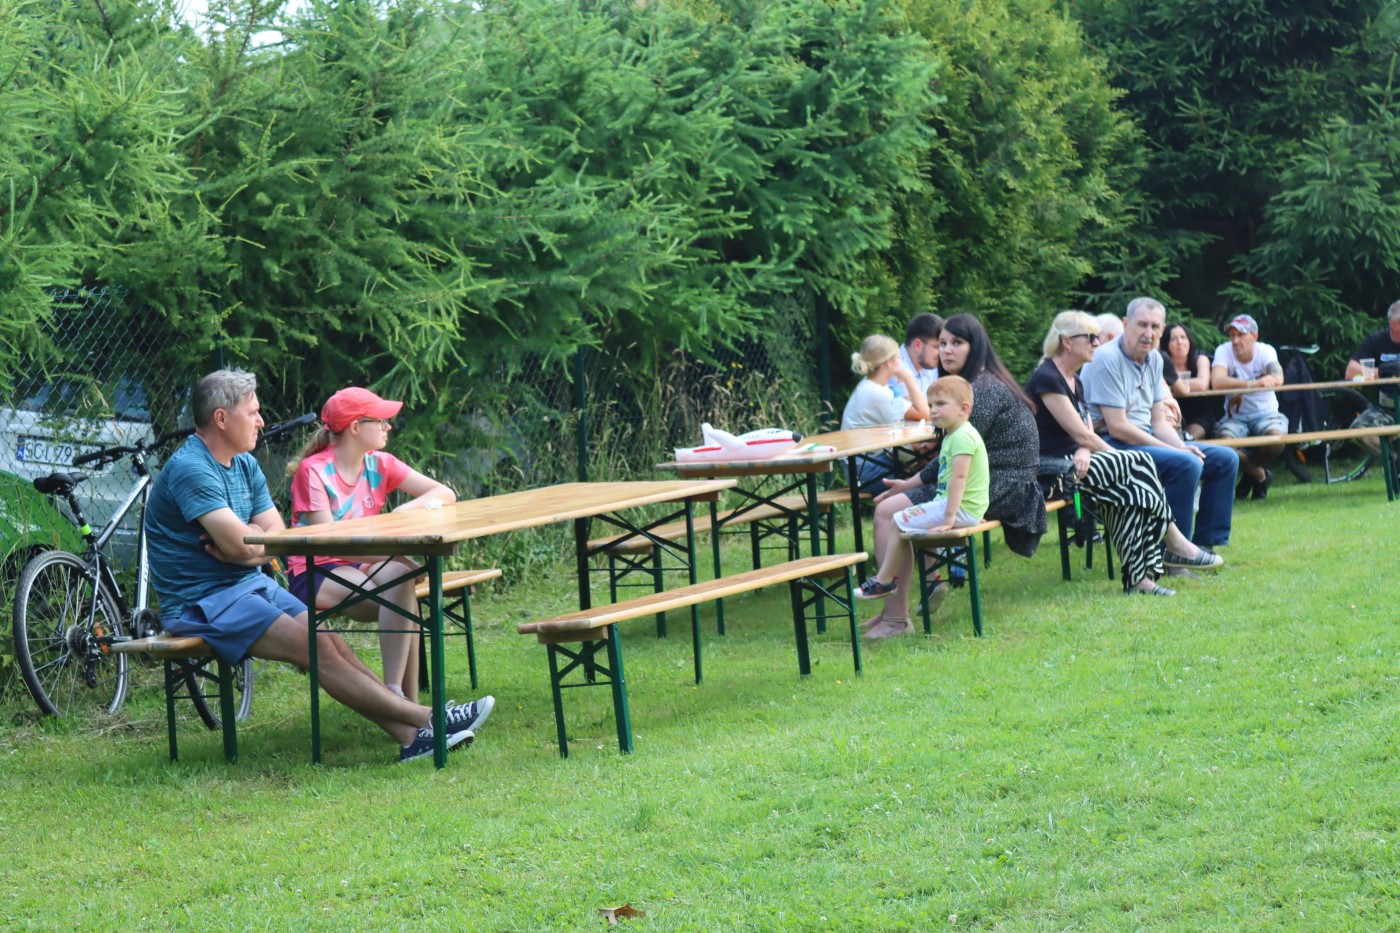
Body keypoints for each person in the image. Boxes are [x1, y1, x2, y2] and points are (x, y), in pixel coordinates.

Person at [144, 370, 494, 764]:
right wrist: (251, 544)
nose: (261, 420)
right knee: (318, 648)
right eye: (253, 412)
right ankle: (430, 719)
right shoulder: (192, 468)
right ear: (222, 418)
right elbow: (244, 543)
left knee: (330, 642)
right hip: (205, 603)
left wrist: (251, 546)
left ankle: (412, 737)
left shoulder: (244, 465)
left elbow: (276, 538)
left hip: (250, 587)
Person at [861, 313, 1047, 635]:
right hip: (992, 481)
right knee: (893, 509)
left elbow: (954, 460)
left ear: (975, 347)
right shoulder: (974, 384)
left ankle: (896, 618)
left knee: (887, 511)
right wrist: (909, 484)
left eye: (957, 343)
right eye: (942, 344)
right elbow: (950, 458)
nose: (946, 350)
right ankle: (903, 603)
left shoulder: (981, 391)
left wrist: (908, 484)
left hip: (1004, 487)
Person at [1026, 311, 1223, 596]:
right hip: (1050, 472)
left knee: (1129, 496)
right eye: (1090, 338)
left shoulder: (1074, 380)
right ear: (1067, 342)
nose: (1097, 343)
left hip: (1079, 463)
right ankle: (1174, 542)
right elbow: (1082, 434)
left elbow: (1084, 433)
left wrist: (1085, 449)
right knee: (1137, 462)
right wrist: (1113, 456)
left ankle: (1140, 580)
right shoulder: (1047, 378)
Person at [287, 387, 460, 704]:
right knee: (401, 593)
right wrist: (396, 554)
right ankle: (400, 701)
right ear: (355, 427)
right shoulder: (313, 471)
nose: (388, 426)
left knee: (403, 580)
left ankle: (404, 700)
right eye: (380, 420)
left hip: (361, 561)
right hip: (315, 569)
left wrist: (403, 511)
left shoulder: (380, 463)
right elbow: (331, 543)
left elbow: (444, 493)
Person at [1080, 298, 1240, 551]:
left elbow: (1159, 422)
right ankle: (1173, 553)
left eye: (1155, 327)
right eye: (1142, 325)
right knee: (1186, 464)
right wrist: (1177, 452)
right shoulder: (1106, 358)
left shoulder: (1154, 359)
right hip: (1110, 446)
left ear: (1162, 330)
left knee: (1225, 459)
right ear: (1125, 324)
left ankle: (1204, 547)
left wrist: (1181, 446)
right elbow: (1118, 427)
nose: (1148, 333)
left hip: (1143, 439)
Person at [854, 376, 987, 629]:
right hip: (960, 508)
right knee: (904, 520)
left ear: (964, 408)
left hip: (955, 509)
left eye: (941, 404)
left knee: (898, 520)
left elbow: (960, 479)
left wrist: (950, 518)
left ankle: (884, 580)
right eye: (931, 404)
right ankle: (921, 583)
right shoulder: (955, 435)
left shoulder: (961, 437)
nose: (933, 410)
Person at [841, 335, 930, 493]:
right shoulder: (876, 392)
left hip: (865, 466)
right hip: (865, 472)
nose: (901, 360)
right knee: (928, 479)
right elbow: (925, 414)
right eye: (899, 357)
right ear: (889, 362)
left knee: (927, 468)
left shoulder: (873, 387)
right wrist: (909, 378)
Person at [1210, 314, 1286, 499]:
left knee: (1276, 440)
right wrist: (1251, 384)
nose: (1235, 340)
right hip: (1234, 417)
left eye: (1241, 335)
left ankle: (1249, 475)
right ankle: (1260, 474)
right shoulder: (1223, 350)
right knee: (1224, 446)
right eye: (1232, 335)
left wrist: (1241, 389)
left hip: (1267, 414)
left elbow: (1278, 377)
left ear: (1255, 336)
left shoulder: (1266, 351)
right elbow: (1217, 381)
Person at [1161, 322, 1216, 439]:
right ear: (1166, 344)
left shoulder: (1200, 360)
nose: (1180, 342)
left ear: (1189, 340)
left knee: (1188, 439)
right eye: (1173, 339)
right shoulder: (1162, 363)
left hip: (1199, 415)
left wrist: (1174, 384)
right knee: (1170, 439)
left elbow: (1202, 384)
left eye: (1183, 337)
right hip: (1171, 415)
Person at [888, 313, 944, 403]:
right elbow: (918, 410)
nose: (942, 352)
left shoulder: (927, 365)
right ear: (917, 345)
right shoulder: (894, 369)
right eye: (937, 347)